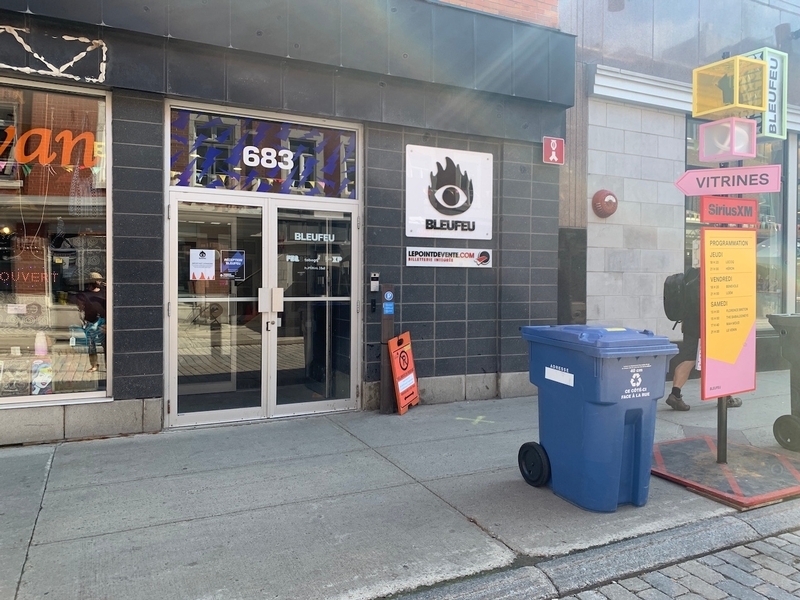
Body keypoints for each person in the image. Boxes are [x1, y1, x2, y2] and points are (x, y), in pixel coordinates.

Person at [666, 266, 742, 411]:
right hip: (710, 325)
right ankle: (726, 397)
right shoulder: (716, 276)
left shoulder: (692, 273)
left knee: (688, 358)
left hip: (690, 324)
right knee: (721, 359)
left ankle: (675, 394)